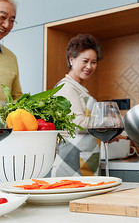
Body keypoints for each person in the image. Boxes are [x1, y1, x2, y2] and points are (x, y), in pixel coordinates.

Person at [51, 34, 103, 176]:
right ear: (71, 59)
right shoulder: (66, 87)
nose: (89, 66)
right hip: (71, 161)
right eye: (85, 61)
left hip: (84, 159)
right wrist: (105, 125)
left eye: (94, 62)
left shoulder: (79, 88)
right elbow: (77, 122)